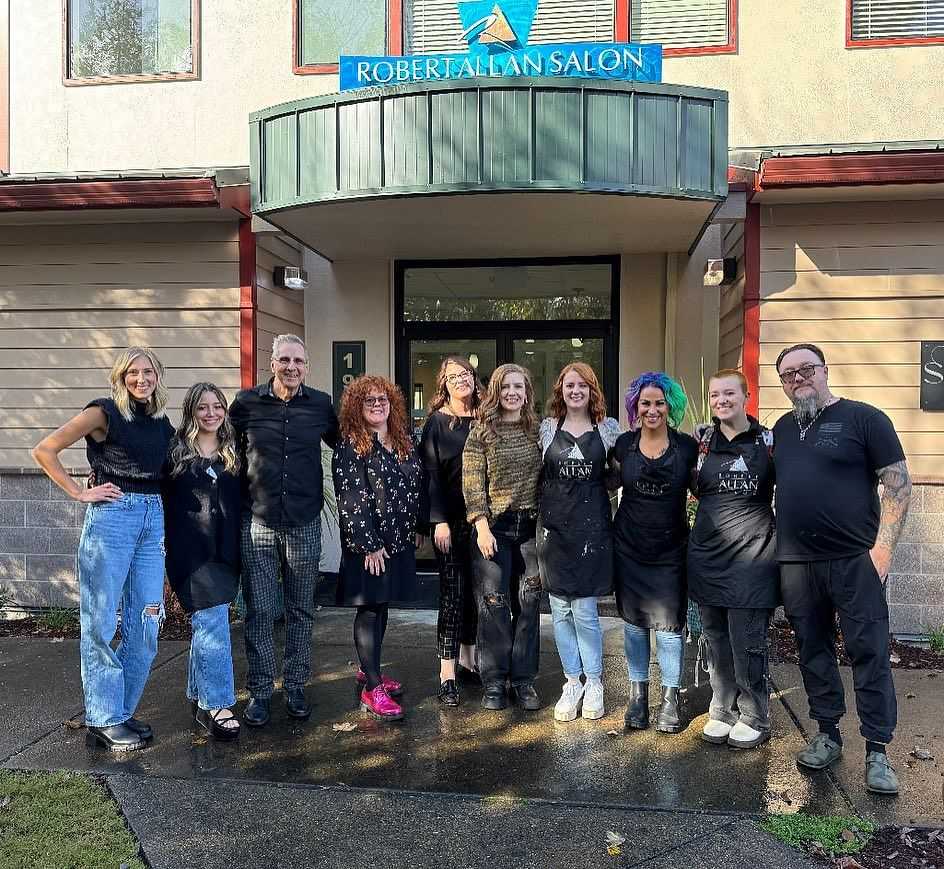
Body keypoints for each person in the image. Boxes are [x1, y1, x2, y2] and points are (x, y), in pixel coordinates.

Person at [773, 343, 912, 796]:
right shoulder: (783, 428)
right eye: (788, 374)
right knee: (813, 651)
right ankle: (827, 733)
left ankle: (877, 751)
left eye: (805, 369)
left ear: (824, 370)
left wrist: (882, 553)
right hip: (797, 562)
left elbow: (897, 483)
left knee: (868, 652)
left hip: (855, 562)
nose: (798, 379)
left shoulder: (865, 419)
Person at [31, 347, 174, 752]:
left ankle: (120, 712)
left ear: (158, 376)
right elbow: (45, 450)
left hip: (153, 519)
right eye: (133, 372)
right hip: (113, 518)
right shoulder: (103, 412)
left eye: (148, 371)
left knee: (146, 623)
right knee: (100, 623)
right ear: (121, 376)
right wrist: (79, 492)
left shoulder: (160, 422)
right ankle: (102, 716)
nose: (141, 378)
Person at [229, 334, 339, 727]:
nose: (291, 367)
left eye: (299, 361)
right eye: (284, 360)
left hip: (304, 521)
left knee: (300, 609)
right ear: (271, 364)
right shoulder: (245, 404)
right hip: (256, 521)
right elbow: (221, 448)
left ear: (306, 367)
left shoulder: (322, 405)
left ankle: (295, 684)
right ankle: (259, 691)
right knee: (259, 611)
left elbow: (346, 445)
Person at [688, 369, 778, 750]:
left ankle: (755, 713)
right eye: (715, 395)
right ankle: (722, 708)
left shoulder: (769, 442)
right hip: (708, 556)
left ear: (746, 398)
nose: (721, 401)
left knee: (747, 641)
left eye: (729, 394)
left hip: (754, 556)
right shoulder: (701, 442)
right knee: (716, 639)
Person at [610, 371, 698, 734]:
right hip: (629, 547)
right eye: (645, 403)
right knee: (633, 626)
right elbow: (602, 484)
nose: (652, 409)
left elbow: (704, 490)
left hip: (671, 549)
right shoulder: (623, 446)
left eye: (659, 403)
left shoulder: (687, 447)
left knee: (669, 627)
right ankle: (638, 697)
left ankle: (671, 699)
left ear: (670, 406)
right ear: (635, 406)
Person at [332, 375, 424, 722]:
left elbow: (415, 485)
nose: (376, 405)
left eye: (382, 399)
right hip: (368, 546)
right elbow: (351, 499)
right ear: (357, 407)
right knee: (369, 609)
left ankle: (369, 669)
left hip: (397, 542)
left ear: (392, 404)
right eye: (368, 400)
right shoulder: (351, 445)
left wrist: (415, 527)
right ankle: (372, 688)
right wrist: (368, 545)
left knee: (382, 607)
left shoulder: (402, 439)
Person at [538, 363, 621, 722]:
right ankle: (572, 682)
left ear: (592, 391)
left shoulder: (607, 429)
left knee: (585, 611)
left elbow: (619, 474)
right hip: (554, 531)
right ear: (561, 390)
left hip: (591, 531)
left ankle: (595, 682)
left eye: (582, 386)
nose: (575, 391)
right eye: (569, 385)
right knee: (559, 610)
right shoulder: (546, 429)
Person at [162, 383, 241, 740]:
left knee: (207, 624)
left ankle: (198, 694)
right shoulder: (174, 451)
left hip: (226, 551)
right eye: (203, 408)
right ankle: (218, 704)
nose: (211, 413)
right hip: (191, 553)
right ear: (191, 412)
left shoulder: (234, 449)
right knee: (213, 623)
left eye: (217, 406)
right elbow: (147, 484)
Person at [462, 363, 543, 711]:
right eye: (506, 386)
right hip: (493, 528)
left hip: (530, 529)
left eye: (519, 387)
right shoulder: (481, 431)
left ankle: (523, 680)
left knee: (529, 602)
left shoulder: (538, 431)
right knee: (494, 605)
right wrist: (480, 525)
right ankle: (494, 681)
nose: (513, 392)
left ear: (527, 393)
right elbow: (471, 480)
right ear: (497, 391)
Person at [419, 356, 482, 707]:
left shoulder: (485, 418)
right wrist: (437, 520)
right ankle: (447, 672)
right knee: (452, 597)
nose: (461, 381)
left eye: (466, 375)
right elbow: (429, 476)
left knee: (476, 595)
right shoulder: (437, 423)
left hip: (483, 522)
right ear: (444, 383)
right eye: (453, 376)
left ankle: (469, 661)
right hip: (451, 523)